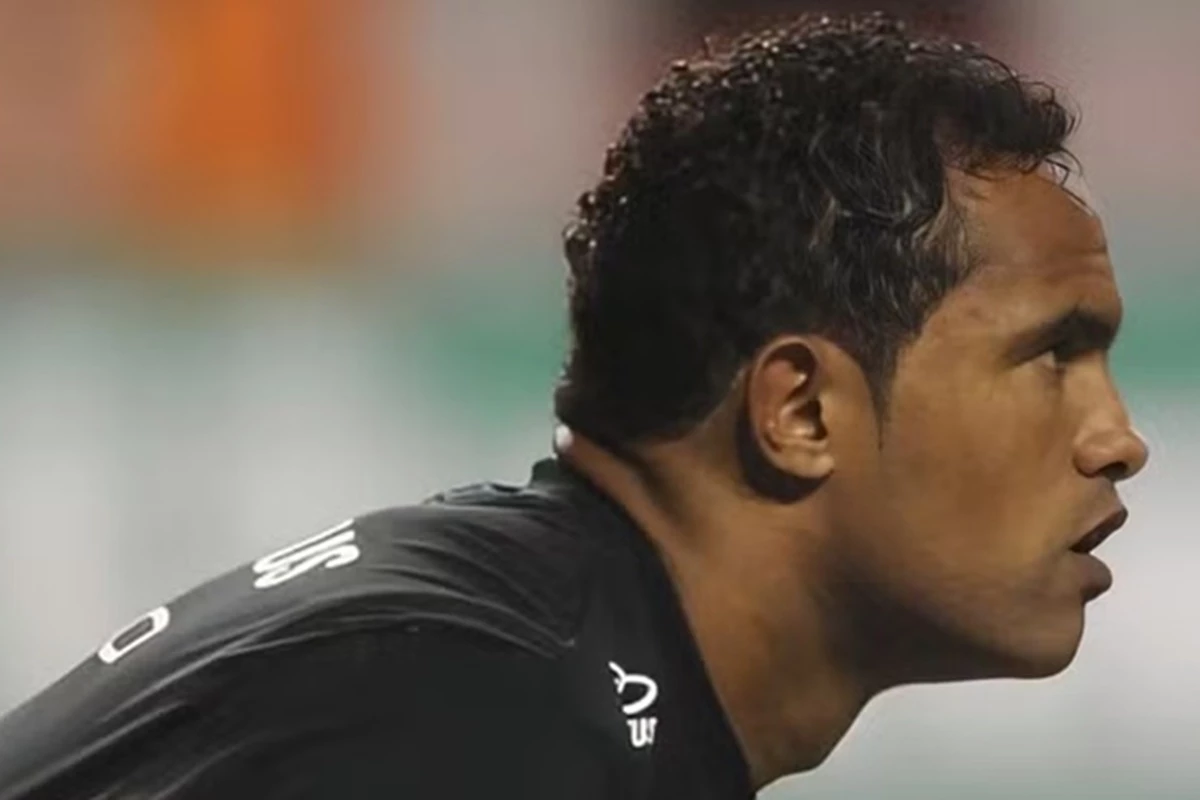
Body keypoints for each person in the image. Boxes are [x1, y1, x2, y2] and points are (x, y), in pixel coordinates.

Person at [0, 12, 1149, 799]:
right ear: (800, 411)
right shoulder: (492, 717)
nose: (1118, 437)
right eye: (1052, 355)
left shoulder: (522, 642)